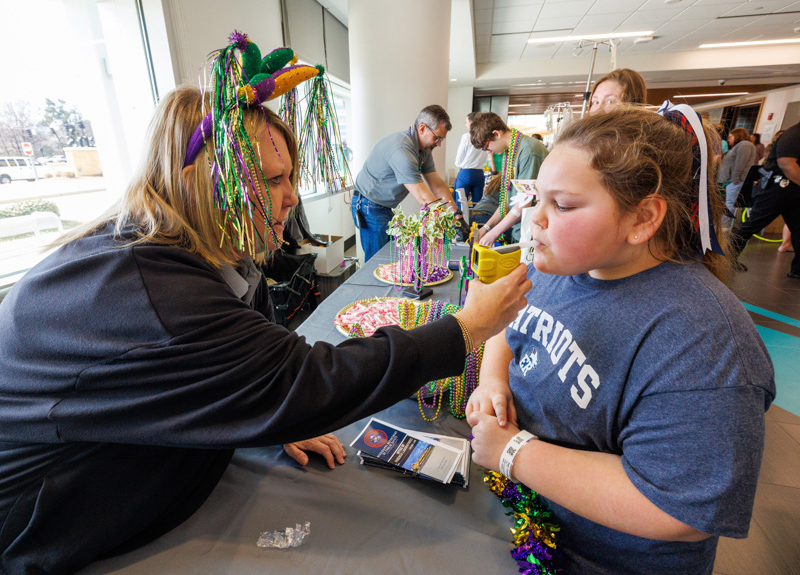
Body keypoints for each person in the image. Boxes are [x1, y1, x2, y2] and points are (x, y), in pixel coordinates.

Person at [0, 34, 532, 574]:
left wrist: (266, 410)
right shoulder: (145, 291)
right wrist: (466, 327)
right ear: (204, 186)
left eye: (290, 177)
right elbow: (306, 379)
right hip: (54, 534)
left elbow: (252, 370)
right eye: (272, 180)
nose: (292, 196)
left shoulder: (212, 254)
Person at [467, 105, 775, 574]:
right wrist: (492, 381)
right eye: (537, 202)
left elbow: (676, 508)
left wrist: (513, 452)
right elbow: (507, 328)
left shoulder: (706, 344)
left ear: (643, 218)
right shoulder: (563, 265)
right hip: (518, 522)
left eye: (563, 206)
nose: (535, 222)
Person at [351, 105, 466, 261]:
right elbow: (423, 197)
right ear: (422, 128)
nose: (439, 144)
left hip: (383, 206)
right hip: (368, 205)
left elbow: (437, 185)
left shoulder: (423, 150)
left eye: (442, 139)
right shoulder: (402, 149)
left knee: (390, 258)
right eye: (437, 138)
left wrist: (457, 216)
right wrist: (451, 223)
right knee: (377, 261)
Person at [731, 121, 800, 277]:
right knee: (752, 224)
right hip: (778, 188)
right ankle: (726, 258)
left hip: (793, 189)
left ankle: (798, 269)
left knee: (798, 228)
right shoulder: (794, 134)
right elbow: (787, 164)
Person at [469, 112, 548, 246]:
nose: (488, 151)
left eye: (486, 147)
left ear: (496, 134)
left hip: (532, 232)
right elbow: (506, 200)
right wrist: (486, 228)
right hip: (518, 229)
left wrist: (493, 234)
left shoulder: (529, 151)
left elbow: (525, 202)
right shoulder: (509, 152)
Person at [718, 127, 756, 229]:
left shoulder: (744, 145)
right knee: (730, 204)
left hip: (736, 181)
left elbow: (740, 163)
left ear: (737, 135)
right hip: (733, 180)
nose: (729, 139)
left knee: (730, 204)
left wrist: (735, 178)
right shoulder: (741, 146)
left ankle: (724, 227)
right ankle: (725, 226)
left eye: (730, 137)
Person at [453, 111, 487, 211]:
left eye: (467, 122)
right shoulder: (485, 137)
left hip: (466, 173)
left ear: (472, 123)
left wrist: (459, 165)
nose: (466, 124)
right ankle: (477, 224)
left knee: (461, 205)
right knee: (478, 205)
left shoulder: (467, 137)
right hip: (480, 174)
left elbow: (459, 160)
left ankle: (462, 225)